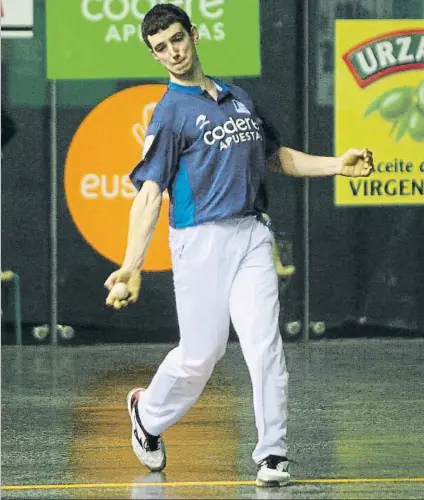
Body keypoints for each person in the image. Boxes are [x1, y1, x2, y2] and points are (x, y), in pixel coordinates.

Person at [104, 3, 373, 487]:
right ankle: (147, 413)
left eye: (177, 39)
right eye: (161, 48)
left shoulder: (238, 97)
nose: (173, 52)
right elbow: (148, 193)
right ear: (154, 55)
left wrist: (338, 164)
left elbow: (276, 157)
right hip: (199, 243)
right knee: (201, 354)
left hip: (251, 235)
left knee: (264, 346)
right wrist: (131, 265)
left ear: (195, 34)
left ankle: (273, 454)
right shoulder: (169, 114)